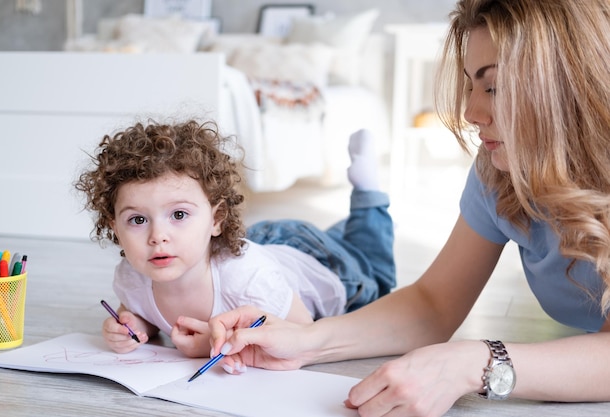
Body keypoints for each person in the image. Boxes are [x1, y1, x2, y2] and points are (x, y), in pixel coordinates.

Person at [177, 1, 610, 416]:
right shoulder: (497, 173)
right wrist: (307, 340)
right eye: (470, 84)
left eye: (493, 86)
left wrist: (474, 363)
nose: (470, 111)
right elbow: (433, 304)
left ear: (566, 84)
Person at [74, 118, 396, 357]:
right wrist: (131, 329)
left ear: (216, 218)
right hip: (253, 246)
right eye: (138, 219)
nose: (158, 237)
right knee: (343, 242)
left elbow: (302, 332)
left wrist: (214, 346)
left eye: (179, 215)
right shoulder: (133, 275)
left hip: (315, 264)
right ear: (114, 227)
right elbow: (143, 315)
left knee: (376, 275)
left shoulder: (248, 279)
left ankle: (368, 190)